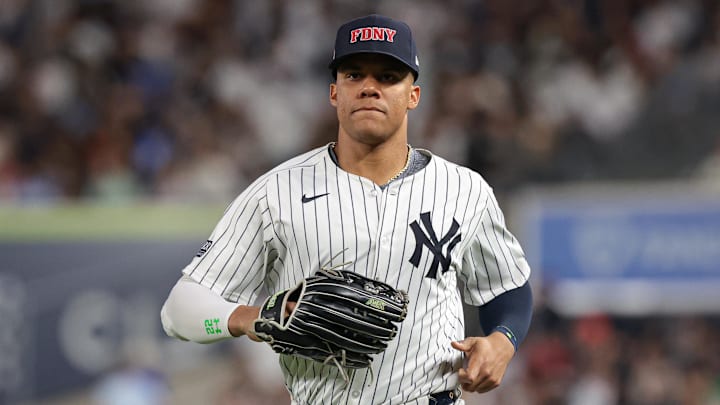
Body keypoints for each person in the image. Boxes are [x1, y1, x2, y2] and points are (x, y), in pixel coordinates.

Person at [161, 14, 533, 405]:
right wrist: (250, 319)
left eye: (388, 76)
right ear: (334, 92)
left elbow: (506, 287)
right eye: (354, 75)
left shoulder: (464, 189)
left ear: (414, 95)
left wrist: (502, 341)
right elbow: (179, 310)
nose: (370, 88)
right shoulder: (276, 192)